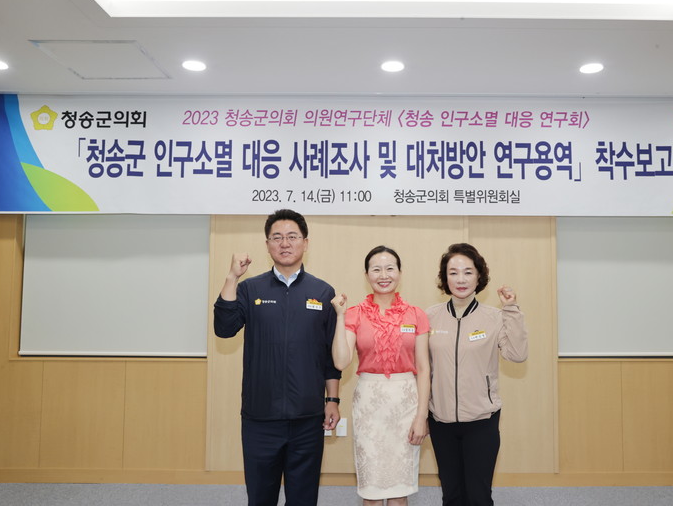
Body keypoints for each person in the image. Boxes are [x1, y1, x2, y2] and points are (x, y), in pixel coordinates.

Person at [213, 209, 341, 506]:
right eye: (277, 237)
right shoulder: (249, 288)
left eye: (292, 237)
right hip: (260, 416)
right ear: (267, 244)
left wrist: (332, 400)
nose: (285, 243)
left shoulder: (322, 292)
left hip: (307, 417)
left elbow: (330, 355)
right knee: (260, 497)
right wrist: (232, 276)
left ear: (305, 243)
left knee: (303, 498)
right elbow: (224, 328)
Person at [426, 243, 529, 506]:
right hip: (440, 420)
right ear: (445, 277)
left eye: (468, 272)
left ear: (479, 276)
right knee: (451, 495)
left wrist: (511, 310)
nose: (460, 279)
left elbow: (517, 354)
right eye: (453, 272)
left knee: (479, 496)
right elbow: (422, 369)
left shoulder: (494, 317)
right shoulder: (430, 317)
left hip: (482, 420)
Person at [331, 245, 430, 506]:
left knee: (400, 491)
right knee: (372, 491)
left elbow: (424, 368)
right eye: (376, 269)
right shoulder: (354, 313)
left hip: (406, 403)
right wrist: (340, 317)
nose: (383, 275)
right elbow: (341, 362)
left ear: (400, 273)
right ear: (366, 275)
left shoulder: (416, 314)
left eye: (390, 268)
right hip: (369, 405)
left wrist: (422, 416)